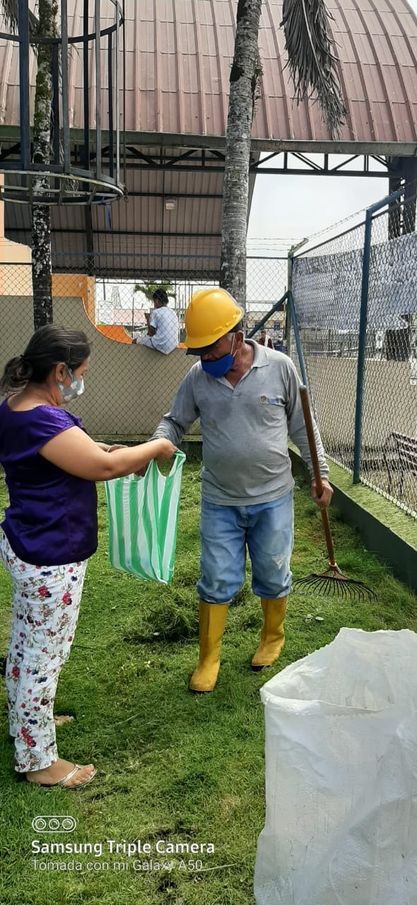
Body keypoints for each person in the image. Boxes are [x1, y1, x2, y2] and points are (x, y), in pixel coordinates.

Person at [0, 325, 176, 788]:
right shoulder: (42, 420)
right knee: (43, 657)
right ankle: (38, 761)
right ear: (61, 371)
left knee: (26, 646)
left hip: (29, 543)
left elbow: (71, 453)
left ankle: (27, 721)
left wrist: (102, 448)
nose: (82, 380)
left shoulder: (16, 408)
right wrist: (157, 446)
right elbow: (104, 467)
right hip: (50, 554)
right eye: (81, 372)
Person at [152, 288, 333, 693]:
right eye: (198, 350)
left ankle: (272, 638)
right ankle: (208, 659)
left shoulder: (280, 368)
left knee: (273, 570)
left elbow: (304, 427)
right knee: (216, 578)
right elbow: (174, 421)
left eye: (211, 348)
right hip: (220, 500)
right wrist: (158, 443)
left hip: (273, 498)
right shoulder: (198, 377)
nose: (205, 357)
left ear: (236, 336)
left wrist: (319, 475)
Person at [135, 288, 179, 354]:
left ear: (157, 301)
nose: (154, 304)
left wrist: (148, 319)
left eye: (154, 301)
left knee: (135, 341)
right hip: (173, 345)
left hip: (160, 344)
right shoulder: (173, 312)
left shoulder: (156, 312)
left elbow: (151, 333)